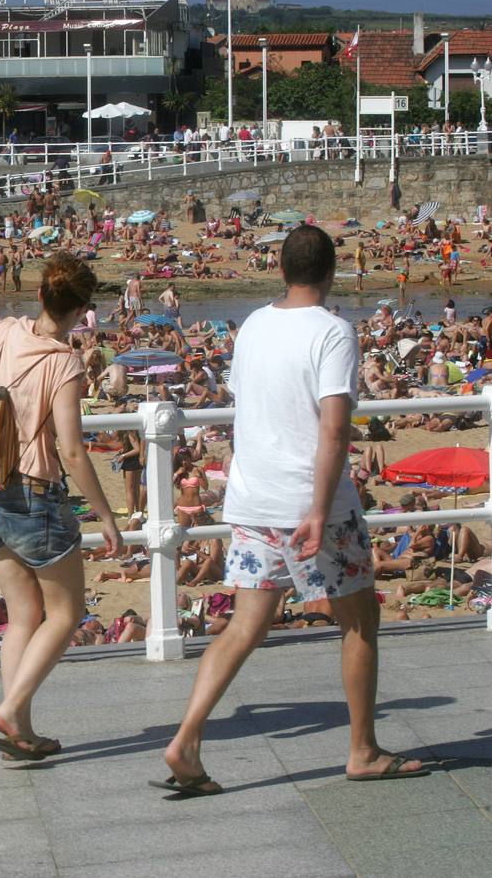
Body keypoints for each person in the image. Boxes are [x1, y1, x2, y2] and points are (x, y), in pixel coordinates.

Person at [157, 226, 428, 797]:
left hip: (254, 498)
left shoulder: (254, 324)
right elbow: (333, 431)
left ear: (281, 270)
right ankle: (362, 750)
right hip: (312, 504)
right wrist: (320, 508)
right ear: (332, 272)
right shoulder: (333, 332)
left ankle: (186, 738)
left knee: (246, 626)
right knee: (359, 620)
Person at [0, 252, 121, 761]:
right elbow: (72, 451)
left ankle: (21, 729)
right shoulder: (64, 362)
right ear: (80, 309)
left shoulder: (4, 332)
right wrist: (105, 514)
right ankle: (12, 712)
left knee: (23, 617)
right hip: (32, 497)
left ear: (40, 296)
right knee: (66, 612)